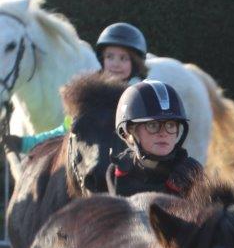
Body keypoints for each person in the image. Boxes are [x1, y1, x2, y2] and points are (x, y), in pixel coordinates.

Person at [3, 22, 148, 156]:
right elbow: (65, 131)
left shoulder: (142, 97)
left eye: (123, 58)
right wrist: (25, 144)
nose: (115, 64)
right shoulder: (91, 96)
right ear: (102, 59)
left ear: (135, 63)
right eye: (110, 57)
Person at [107, 79, 203, 198]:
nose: (163, 133)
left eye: (170, 125)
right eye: (152, 125)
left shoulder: (190, 173)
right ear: (128, 132)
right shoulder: (117, 172)